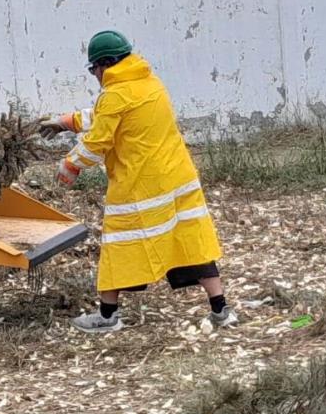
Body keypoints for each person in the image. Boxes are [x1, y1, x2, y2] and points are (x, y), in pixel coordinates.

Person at [41, 30, 238, 334]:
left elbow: (99, 140)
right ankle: (221, 310)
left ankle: (108, 317)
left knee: (119, 245)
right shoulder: (149, 82)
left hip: (140, 185)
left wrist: (70, 166)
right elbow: (112, 115)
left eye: (94, 69)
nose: (94, 75)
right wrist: (66, 121)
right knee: (190, 242)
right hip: (178, 179)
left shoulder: (115, 94)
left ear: (104, 65)